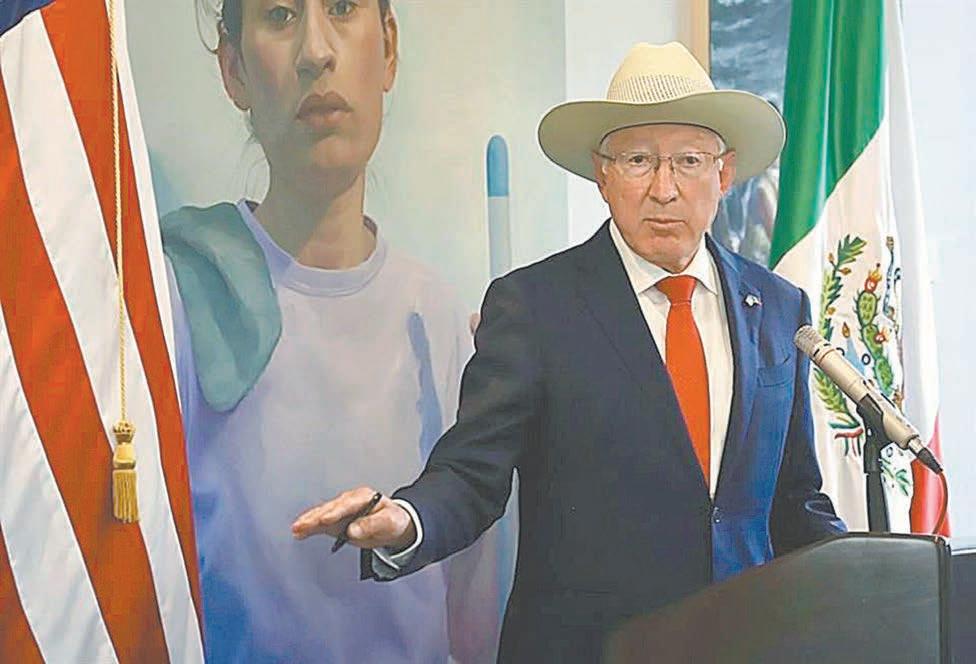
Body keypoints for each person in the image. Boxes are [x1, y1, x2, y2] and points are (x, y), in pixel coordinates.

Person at [292, 42, 846, 662]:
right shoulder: (534, 306)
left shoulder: (779, 308)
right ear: (602, 175)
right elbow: (472, 474)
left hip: (744, 646)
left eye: (689, 161)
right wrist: (404, 520)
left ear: (724, 174)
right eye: (638, 160)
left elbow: (794, 499)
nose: (664, 189)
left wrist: (873, 582)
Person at [162, 0, 507, 661]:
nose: (316, 52)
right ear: (234, 70)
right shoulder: (181, 302)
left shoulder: (438, 321)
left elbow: (472, 616)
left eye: (343, 7)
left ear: (389, 48)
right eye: (280, 15)